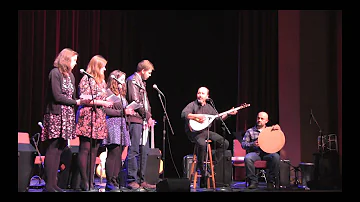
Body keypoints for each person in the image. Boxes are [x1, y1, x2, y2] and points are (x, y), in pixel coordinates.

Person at [40, 48, 89, 192]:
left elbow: (72, 97)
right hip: (55, 115)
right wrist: (77, 102)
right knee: (53, 148)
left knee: (61, 148)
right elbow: (57, 96)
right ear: (66, 60)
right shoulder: (55, 73)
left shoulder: (71, 76)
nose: (75, 63)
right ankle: (49, 184)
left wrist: (79, 100)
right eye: (74, 60)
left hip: (67, 115)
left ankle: (54, 184)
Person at [181, 86, 237, 188]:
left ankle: (213, 163)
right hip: (194, 133)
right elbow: (184, 114)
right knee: (202, 144)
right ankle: (201, 167)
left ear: (207, 96)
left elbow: (218, 118)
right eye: (198, 93)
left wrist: (228, 114)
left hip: (206, 131)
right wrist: (197, 116)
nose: (200, 95)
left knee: (224, 143)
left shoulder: (210, 107)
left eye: (202, 93)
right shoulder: (192, 105)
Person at [75, 55, 113, 192]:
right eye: (103, 66)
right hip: (88, 117)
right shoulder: (86, 79)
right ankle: (84, 182)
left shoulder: (102, 82)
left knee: (94, 151)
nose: (105, 69)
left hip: (99, 117)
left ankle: (91, 181)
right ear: (96, 66)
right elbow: (84, 99)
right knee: (85, 149)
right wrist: (103, 102)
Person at [125, 59, 156, 190]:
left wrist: (149, 117)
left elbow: (146, 102)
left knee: (145, 150)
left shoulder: (142, 83)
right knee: (134, 150)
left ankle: (142, 179)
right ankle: (132, 179)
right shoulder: (132, 81)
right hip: (135, 119)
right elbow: (135, 101)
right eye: (148, 72)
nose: (149, 75)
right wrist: (147, 116)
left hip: (143, 120)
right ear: (143, 71)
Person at [102, 70, 134, 192]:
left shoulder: (121, 93)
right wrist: (122, 112)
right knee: (113, 153)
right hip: (113, 124)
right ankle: (109, 182)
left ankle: (115, 180)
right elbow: (106, 110)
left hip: (122, 125)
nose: (123, 82)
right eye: (121, 79)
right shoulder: (108, 92)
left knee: (119, 154)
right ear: (114, 79)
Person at [241, 111, 281, 190]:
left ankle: (271, 182)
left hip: (268, 153)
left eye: (262, 118)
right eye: (258, 118)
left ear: (266, 121)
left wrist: (278, 130)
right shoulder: (250, 131)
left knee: (276, 156)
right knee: (248, 158)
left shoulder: (270, 130)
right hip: (255, 153)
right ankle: (253, 182)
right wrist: (253, 144)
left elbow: (279, 139)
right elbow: (243, 144)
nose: (259, 120)